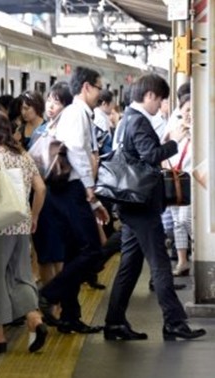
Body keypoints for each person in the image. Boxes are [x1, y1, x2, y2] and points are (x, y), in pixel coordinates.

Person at [103, 74, 205, 341]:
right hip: (141, 205)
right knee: (160, 263)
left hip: (131, 204)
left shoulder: (127, 119)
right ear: (149, 95)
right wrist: (174, 141)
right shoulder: (138, 121)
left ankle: (114, 322)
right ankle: (174, 322)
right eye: (159, 99)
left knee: (130, 265)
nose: (160, 105)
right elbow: (151, 156)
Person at [37, 66, 109, 334]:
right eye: (99, 88)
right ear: (87, 87)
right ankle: (49, 294)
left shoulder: (72, 113)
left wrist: (94, 203)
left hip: (61, 191)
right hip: (71, 190)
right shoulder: (78, 112)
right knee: (92, 251)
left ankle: (70, 316)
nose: (100, 94)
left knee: (71, 253)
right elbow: (78, 150)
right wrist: (90, 189)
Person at [0, 110, 48, 353]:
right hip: (21, 225)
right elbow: (41, 188)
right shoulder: (23, 155)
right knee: (20, 275)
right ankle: (34, 319)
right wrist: (33, 217)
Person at [29, 82, 73, 288]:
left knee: (59, 252)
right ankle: (51, 297)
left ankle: (58, 300)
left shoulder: (70, 131)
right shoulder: (40, 131)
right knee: (45, 252)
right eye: (49, 100)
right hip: (42, 196)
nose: (51, 106)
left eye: (57, 102)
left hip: (61, 195)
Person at [166, 93, 192, 277]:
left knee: (186, 220)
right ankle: (183, 262)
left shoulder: (203, 130)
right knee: (177, 222)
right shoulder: (175, 128)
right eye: (187, 109)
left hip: (193, 183)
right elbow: (164, 148)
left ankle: (201, 256)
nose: (190, 113)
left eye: (193, 109)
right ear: (180, 111)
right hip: (174, 181)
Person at [92, 89, 115, 157]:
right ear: (104, 104)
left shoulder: (97, 114)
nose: (113, 106)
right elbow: (105, 143)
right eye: (112, 103)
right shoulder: (101, 120)